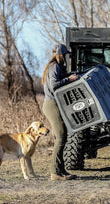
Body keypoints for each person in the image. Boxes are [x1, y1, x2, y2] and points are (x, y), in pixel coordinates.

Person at [42, 44, 78, 180]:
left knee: (63, 136)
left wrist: (70, 75)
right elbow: (54, 85)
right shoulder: (54, 67)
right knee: (61, 136)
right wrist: (69, 79)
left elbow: (59, 80)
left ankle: (61, 170)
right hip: (51, 104)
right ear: (61, 55)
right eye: (66, 55)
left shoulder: (56, 67)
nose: (67, 58)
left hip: (55, 104)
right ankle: (55, 172)